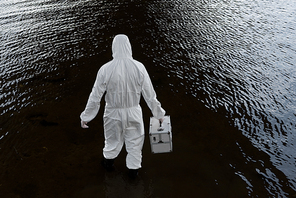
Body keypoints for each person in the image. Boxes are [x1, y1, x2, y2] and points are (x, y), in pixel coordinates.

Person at [80, 34, 165, 178]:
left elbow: (95, 96)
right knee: (135, 144)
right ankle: (133, 175)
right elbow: (150, 95)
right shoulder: (139, 67)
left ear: (114, 48)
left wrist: (86, 116)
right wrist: (159, 115)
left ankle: (108, 169)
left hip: (112, 113)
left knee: (112, 142)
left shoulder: (105, 69)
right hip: (134, 112)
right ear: (129, 47)